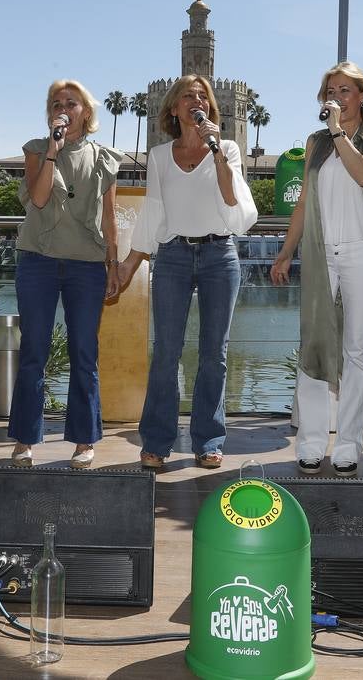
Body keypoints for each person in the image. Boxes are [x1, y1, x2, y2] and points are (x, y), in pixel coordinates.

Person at [116, 75, 258, 470]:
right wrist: (130, 262)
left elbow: (232, 199)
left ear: (209, 108)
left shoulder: (226, 148)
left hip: (219, 257)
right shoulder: (160, 156)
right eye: (188, 96)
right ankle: (158, 442)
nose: (196, 100)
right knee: (166, 352)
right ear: (174, 108)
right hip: (173, 258)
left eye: (202, 96)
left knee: (215, 354)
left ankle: (208, 441)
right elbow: (154, 212)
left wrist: (217, 155)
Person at [270, 62, 363, 475]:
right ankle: (309, 443)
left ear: (362, 95)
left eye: (345, 89)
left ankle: (348, 444)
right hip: (321, 252)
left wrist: (339, 131)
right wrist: (286, 251)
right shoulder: (315, 143)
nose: (337, 96)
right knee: (315, 343)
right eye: (331, 90)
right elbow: (305, 202)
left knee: (356, 349)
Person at [7, 81, 121, 469]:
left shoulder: (103, 157)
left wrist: (113, 263)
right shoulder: (37, 150)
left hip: (86, 265)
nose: (63, 108)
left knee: (84, 353)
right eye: (57, 103)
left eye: (71, 103)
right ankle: (25, 440)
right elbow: (38, 198)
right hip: (37, 261)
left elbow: (109, 215)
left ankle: (84, 440)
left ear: (86, 112)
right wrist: (52, 150)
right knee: (33, 352)